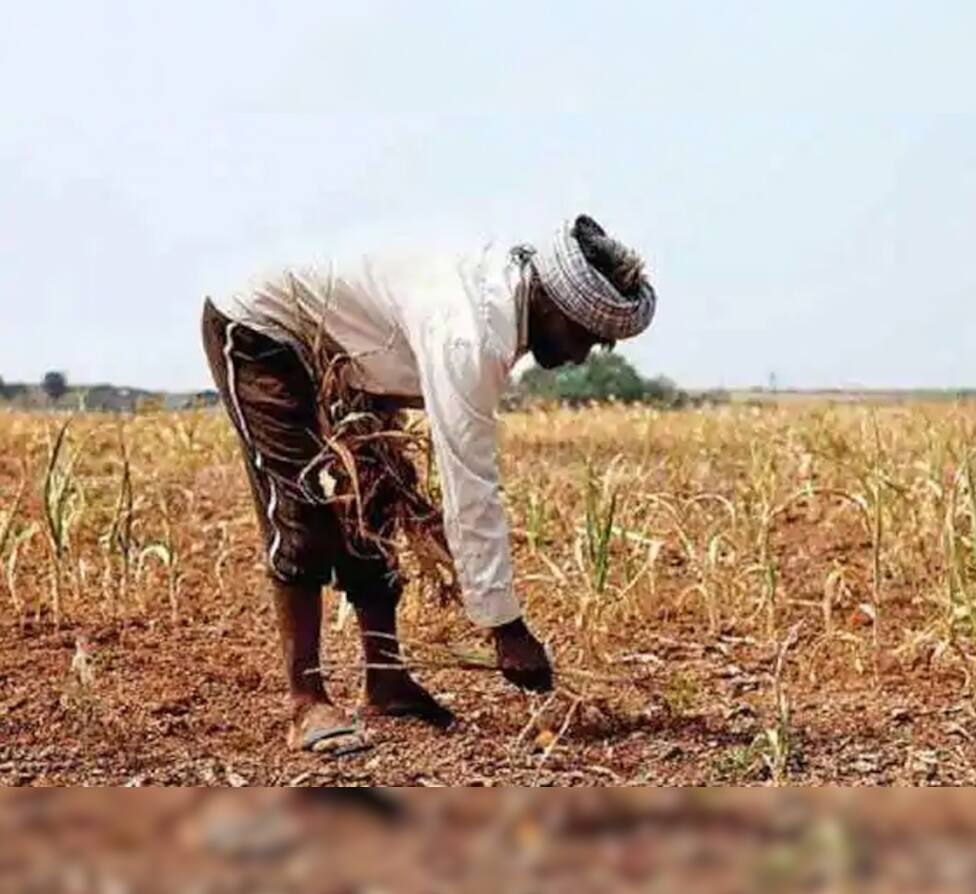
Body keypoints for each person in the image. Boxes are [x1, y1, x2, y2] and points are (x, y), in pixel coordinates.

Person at [201, 215, 657, 754]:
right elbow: (471, 485)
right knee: (302, 509)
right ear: (552, 304)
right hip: (263, 328)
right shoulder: (472, 332)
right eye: (584, 337)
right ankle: (306, 703)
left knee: (375, 502)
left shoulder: (500, 305)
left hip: (349, 352)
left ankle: (386, 682)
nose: (581, 355)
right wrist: (505, 627)